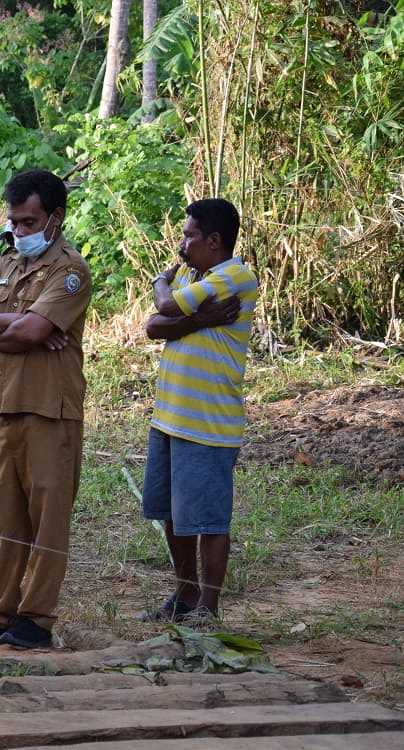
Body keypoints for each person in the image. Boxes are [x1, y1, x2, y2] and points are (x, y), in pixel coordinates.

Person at [0, 169, 91, 649]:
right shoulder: (7, 261)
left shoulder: (69, 271)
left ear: (55, 218)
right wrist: (18, 322)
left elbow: (26, 334)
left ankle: (35, 617)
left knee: (47, 518)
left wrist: (11, 326)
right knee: (5, 517)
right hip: (5, 406)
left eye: (29, 222)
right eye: (14, 222)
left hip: (51, 411)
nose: (20, 232)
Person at [141, 198, 256, 625]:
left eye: (189, 235)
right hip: (170, 414)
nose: (182, 244)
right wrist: (201, 320)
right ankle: (185, 595)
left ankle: (209, 606)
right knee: (173, 513)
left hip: (208, 422)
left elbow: (165, 310)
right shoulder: (197, 275)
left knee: (209, 518)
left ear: (214, 240)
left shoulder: (234, 276)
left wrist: (160, 284)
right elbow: (153, 328)